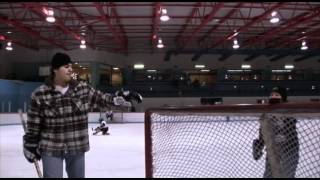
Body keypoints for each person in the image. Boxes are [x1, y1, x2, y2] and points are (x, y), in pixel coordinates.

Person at [22, 52, 142, 178]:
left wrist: (119, 97)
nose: (70, 69)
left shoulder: (82, 89)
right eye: (66, 67)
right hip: (51, 147)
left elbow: (102, 99)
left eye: (70, 66)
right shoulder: (40, 94)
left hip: (76, 146)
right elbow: (34, 124)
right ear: (55, 69)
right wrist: (30, 143)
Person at [252, 86, 299, 178]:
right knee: (269, 175)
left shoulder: (289, 111)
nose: (273, 96)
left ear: (283, 98)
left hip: (289, 151)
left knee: (287, 175)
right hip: (272, 151)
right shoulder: (266, 113)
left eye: (277, 95)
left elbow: (290, 127)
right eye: (272, 95)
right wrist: (259, 145)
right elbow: (263, 132)